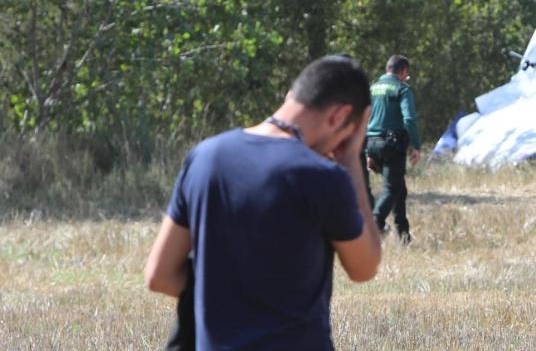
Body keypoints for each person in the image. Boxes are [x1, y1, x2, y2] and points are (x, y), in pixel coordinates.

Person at [145, 54, 382, 350]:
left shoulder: (206, 157)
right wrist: (350, 161)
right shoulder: (322, 176)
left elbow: (159, 275)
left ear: (290, 96)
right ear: (338, 116)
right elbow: (365, 267)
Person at [365, 54, 422, 243]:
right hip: (391, 145)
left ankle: (404, 235)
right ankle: (375, 223)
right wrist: (416, 145)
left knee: (399, 188)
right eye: (407, 73)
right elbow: (409, 119)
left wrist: (367, 152)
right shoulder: (402, 89)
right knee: (392, 188)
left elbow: (365, 118)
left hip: (372, 142)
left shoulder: (372, 88)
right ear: (403, 71)